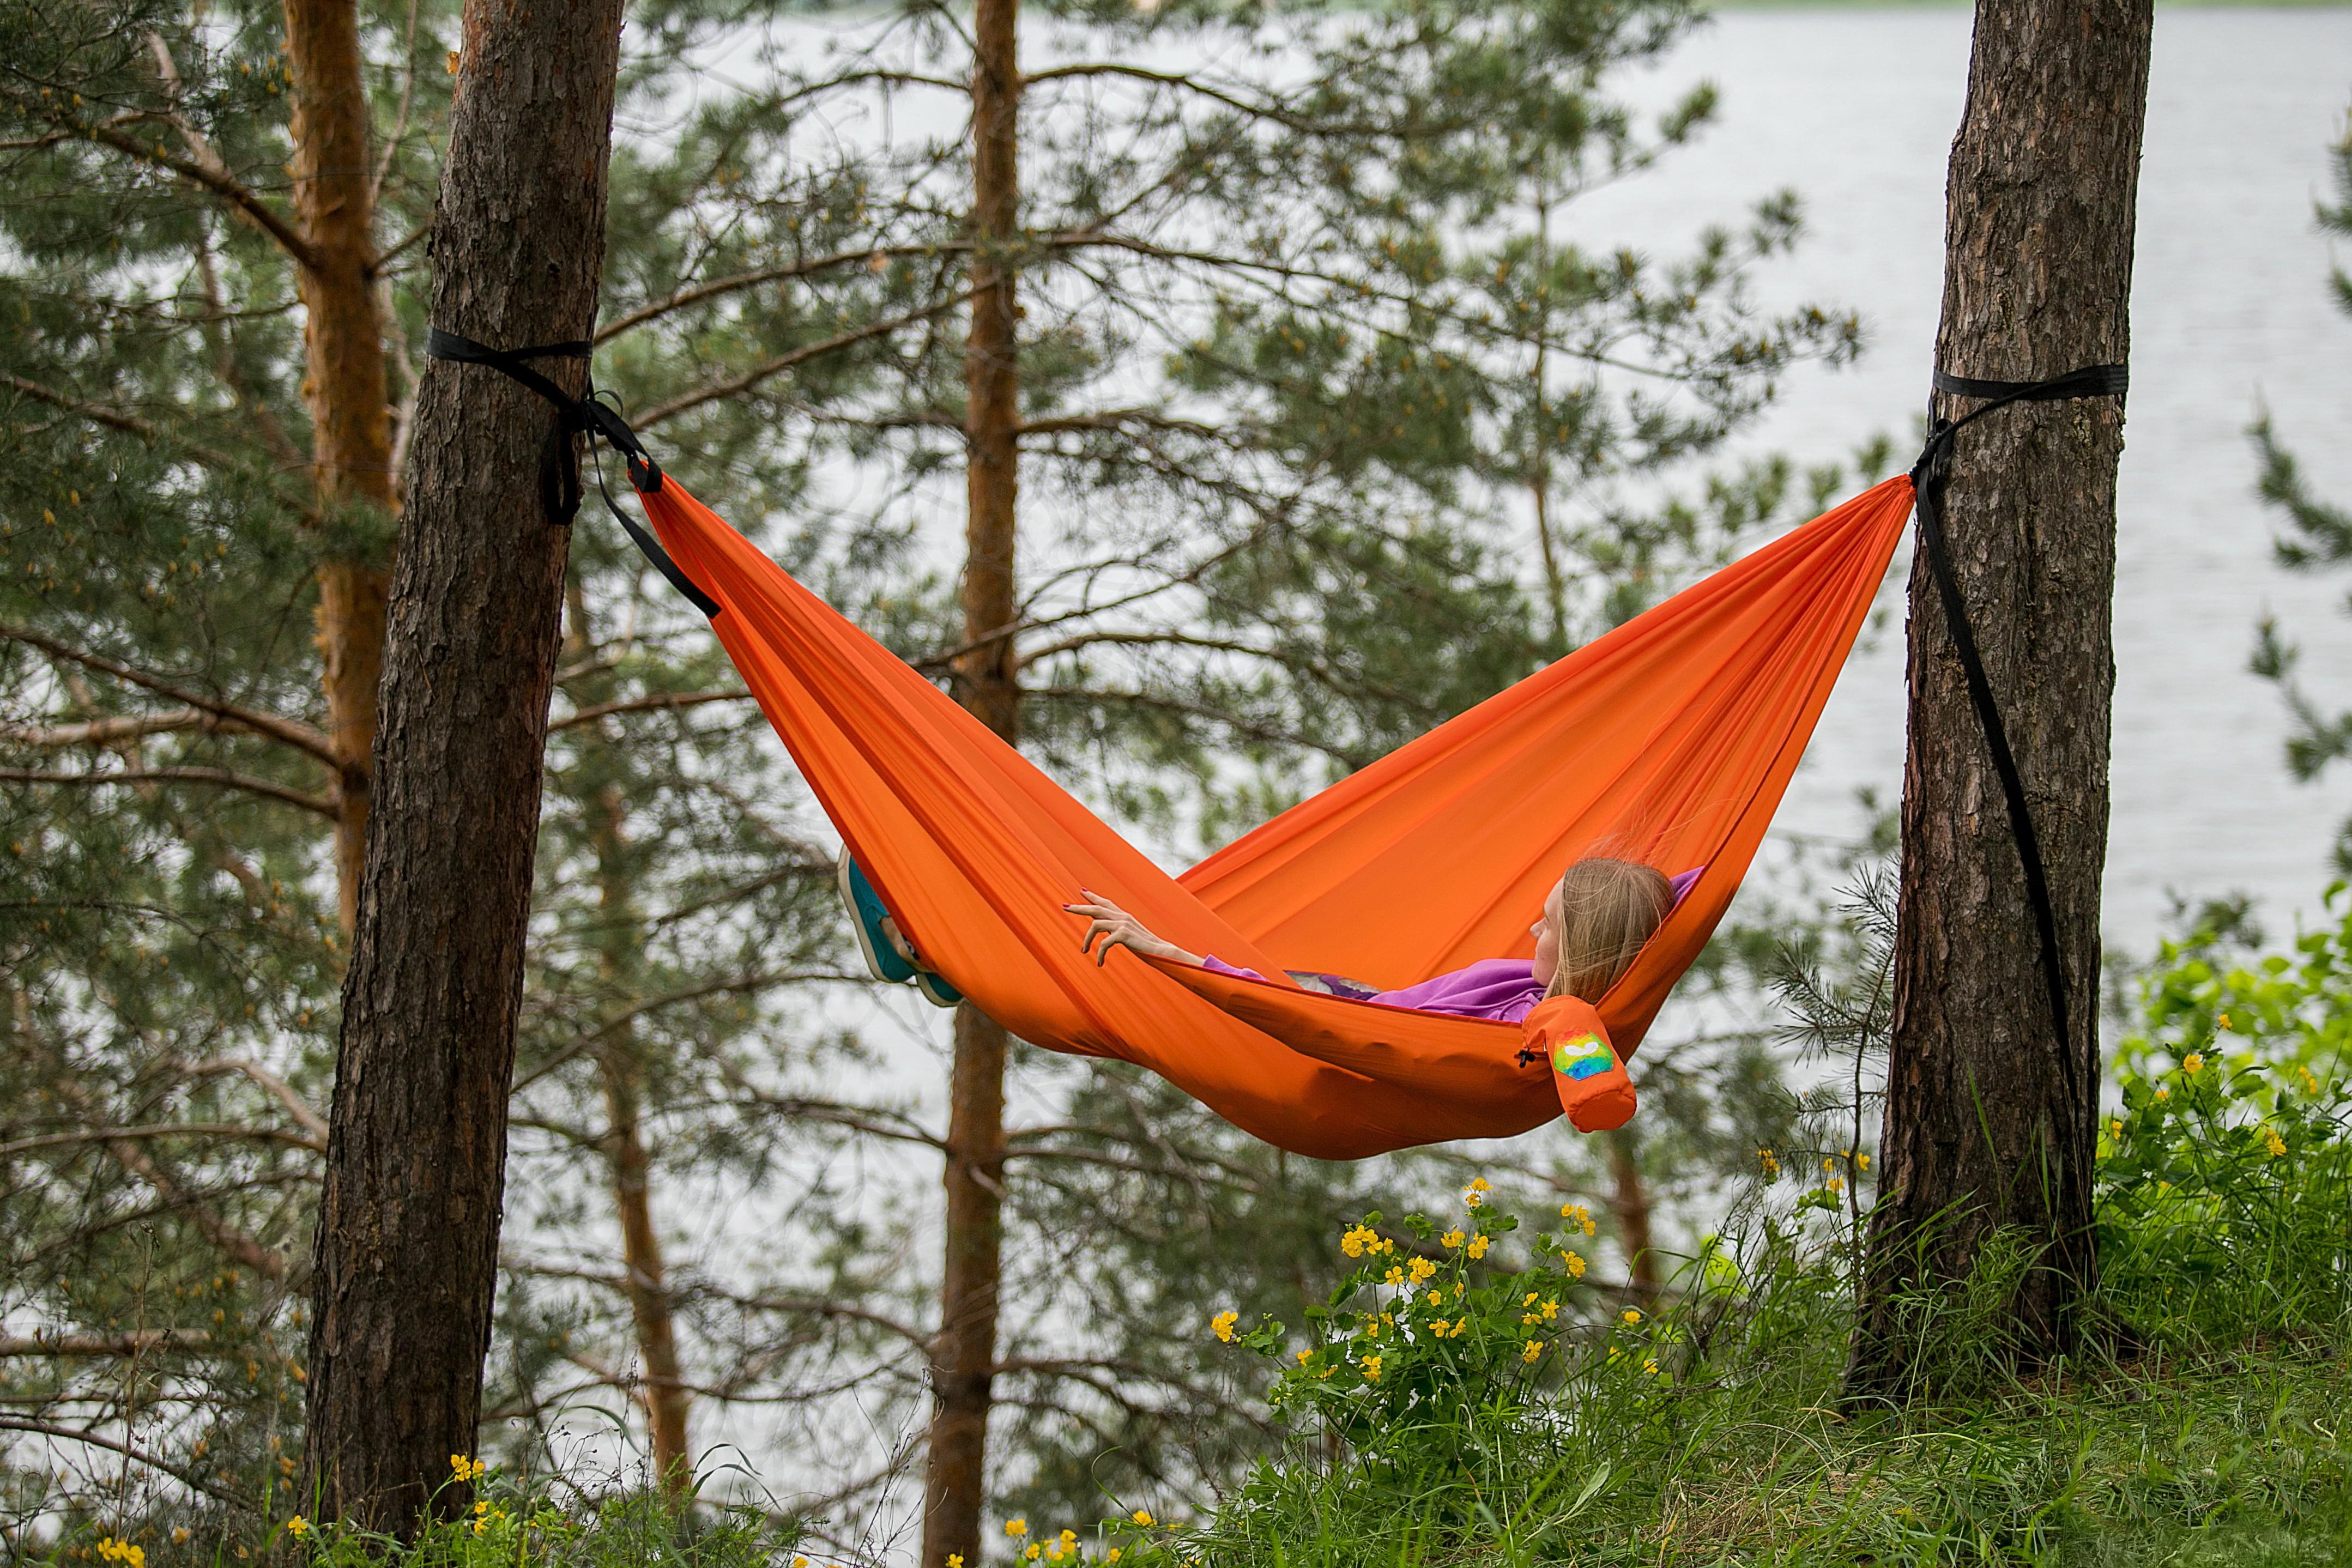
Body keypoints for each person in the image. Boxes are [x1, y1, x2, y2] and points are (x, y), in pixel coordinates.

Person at [1066, 856, 1675, 1024]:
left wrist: (1173, 955)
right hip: (1354, 1000)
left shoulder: (1536, 1031)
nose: (1531, 930)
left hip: (1330, 1022)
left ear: (1583, 949)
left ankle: (1013, 969)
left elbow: (1311, 1020)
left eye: (1548, 925)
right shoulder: (1531, 988)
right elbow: (1692, 883)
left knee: (1141, 994)